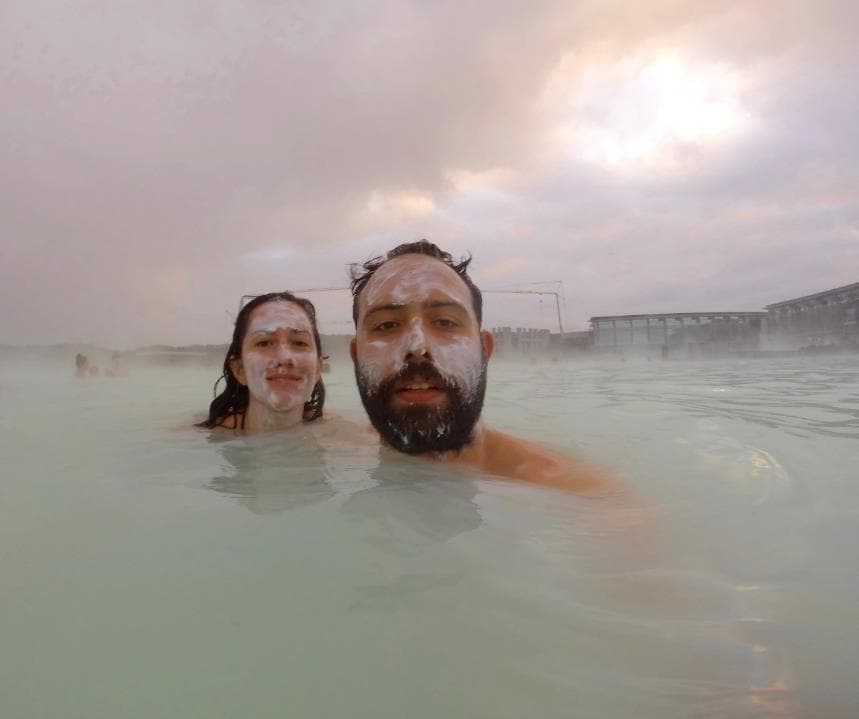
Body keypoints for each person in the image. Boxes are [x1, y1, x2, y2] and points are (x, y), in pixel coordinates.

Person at [349, 240, 615, 496]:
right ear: (355, 355)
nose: (417, 346)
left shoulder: (579, 495)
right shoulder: (341, 443)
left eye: (444, 322)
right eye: (386, 325)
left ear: (484, 349)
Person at [198, 291, 325, 432]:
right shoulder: (202, 440)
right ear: (240, 370)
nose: (284, 358)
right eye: (264, 343)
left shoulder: (339, 435)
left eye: (300, 343)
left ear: (318, 369)